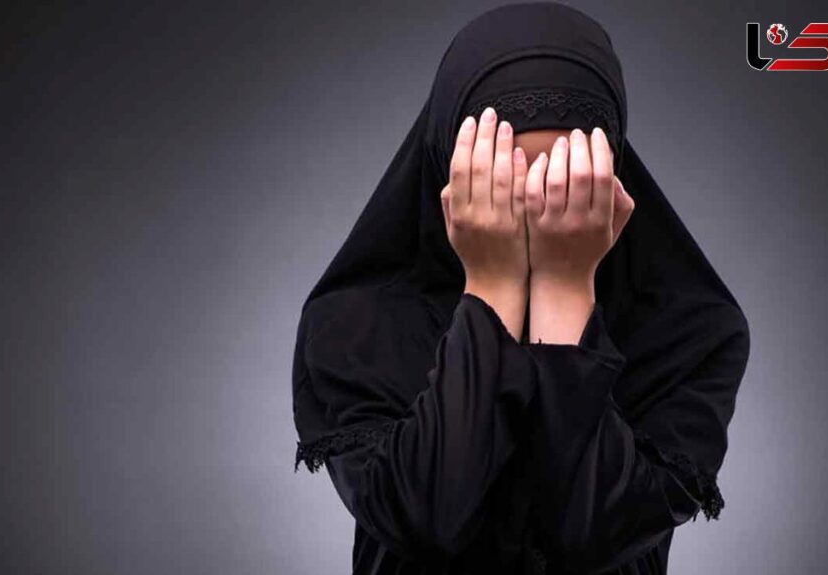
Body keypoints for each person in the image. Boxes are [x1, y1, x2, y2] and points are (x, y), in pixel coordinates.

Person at [290, 2, 751, 573]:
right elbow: (425, 518)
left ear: (611, 173)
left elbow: (594, 537)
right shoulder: (354, 323)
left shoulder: (689, 332)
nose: (540, 204)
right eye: (503, 179)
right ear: (450, 167)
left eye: (567, 178)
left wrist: (565, 289)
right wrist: (490, 287)